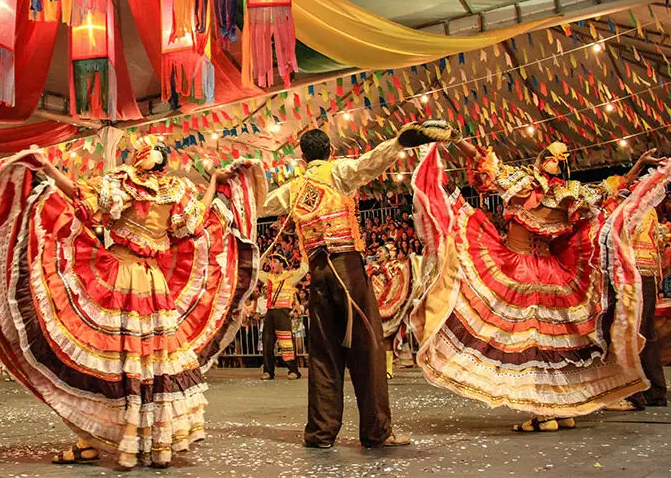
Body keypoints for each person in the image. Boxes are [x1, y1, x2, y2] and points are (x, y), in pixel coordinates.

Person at [0, 141, 265, 468]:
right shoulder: (175, 191)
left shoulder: (125, 182)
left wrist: (48, 169)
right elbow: (195, 222)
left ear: (140, 159)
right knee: (151, 364)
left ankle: (115, 444)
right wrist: (212, 183)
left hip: (122, 279)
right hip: (155, 284)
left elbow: (80, 197)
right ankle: (157, 447)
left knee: (118, 363)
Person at [411, 139, 669, 433]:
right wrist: (637, 167)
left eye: (558, 158)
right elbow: (609, 188)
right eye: (554, 158)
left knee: (531, 344)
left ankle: (543, 413)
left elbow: (484, 160)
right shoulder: (567, 193)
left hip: (520, 271)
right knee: (552, 342)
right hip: (553, 274)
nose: (556, 161)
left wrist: (454, 140)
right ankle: (557, 410)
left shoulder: (529, 184)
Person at [262, 121, 451, 450]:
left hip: (318, 274)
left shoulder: (291, 189)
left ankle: (320, 433)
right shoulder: (338, 172)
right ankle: (377, 431)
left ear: (304, 157)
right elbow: (370, 163)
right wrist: (399, 142)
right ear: (331, 152)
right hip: (347, 268)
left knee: (323, 354)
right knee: (368, 348)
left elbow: (261, 205)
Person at [605, 184, 668, 410]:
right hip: (646, 275)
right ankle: (654, 391)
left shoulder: (635, 211)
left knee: (632, 333)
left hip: (635, 275)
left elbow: (621, 242)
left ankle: (637, 392)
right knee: (645, 332)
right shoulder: (648, 210)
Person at [366, 242, 412, 379]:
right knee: (373, 339)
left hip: (388, 307)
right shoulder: (370, 268)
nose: (377, 253)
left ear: (387, 254)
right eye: (376, 252)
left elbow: (399, 282)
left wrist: (385, 272)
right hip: (372, 307)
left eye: (380, 251)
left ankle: (388, 369)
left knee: (386, 340)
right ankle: (375, 368)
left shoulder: (394, 267)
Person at [257, 254, 308, 380]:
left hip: (283, 312)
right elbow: (257, 270)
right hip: (271, 312)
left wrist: (303, 253)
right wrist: (262, 257)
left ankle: (293, 370)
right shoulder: (268, 277)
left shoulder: (290, 276)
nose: (272, 264)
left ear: (282, 263)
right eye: (271, 262)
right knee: (267, 342)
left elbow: (303, 270)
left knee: (286, 342)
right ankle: (268, 371)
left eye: (274, 261)